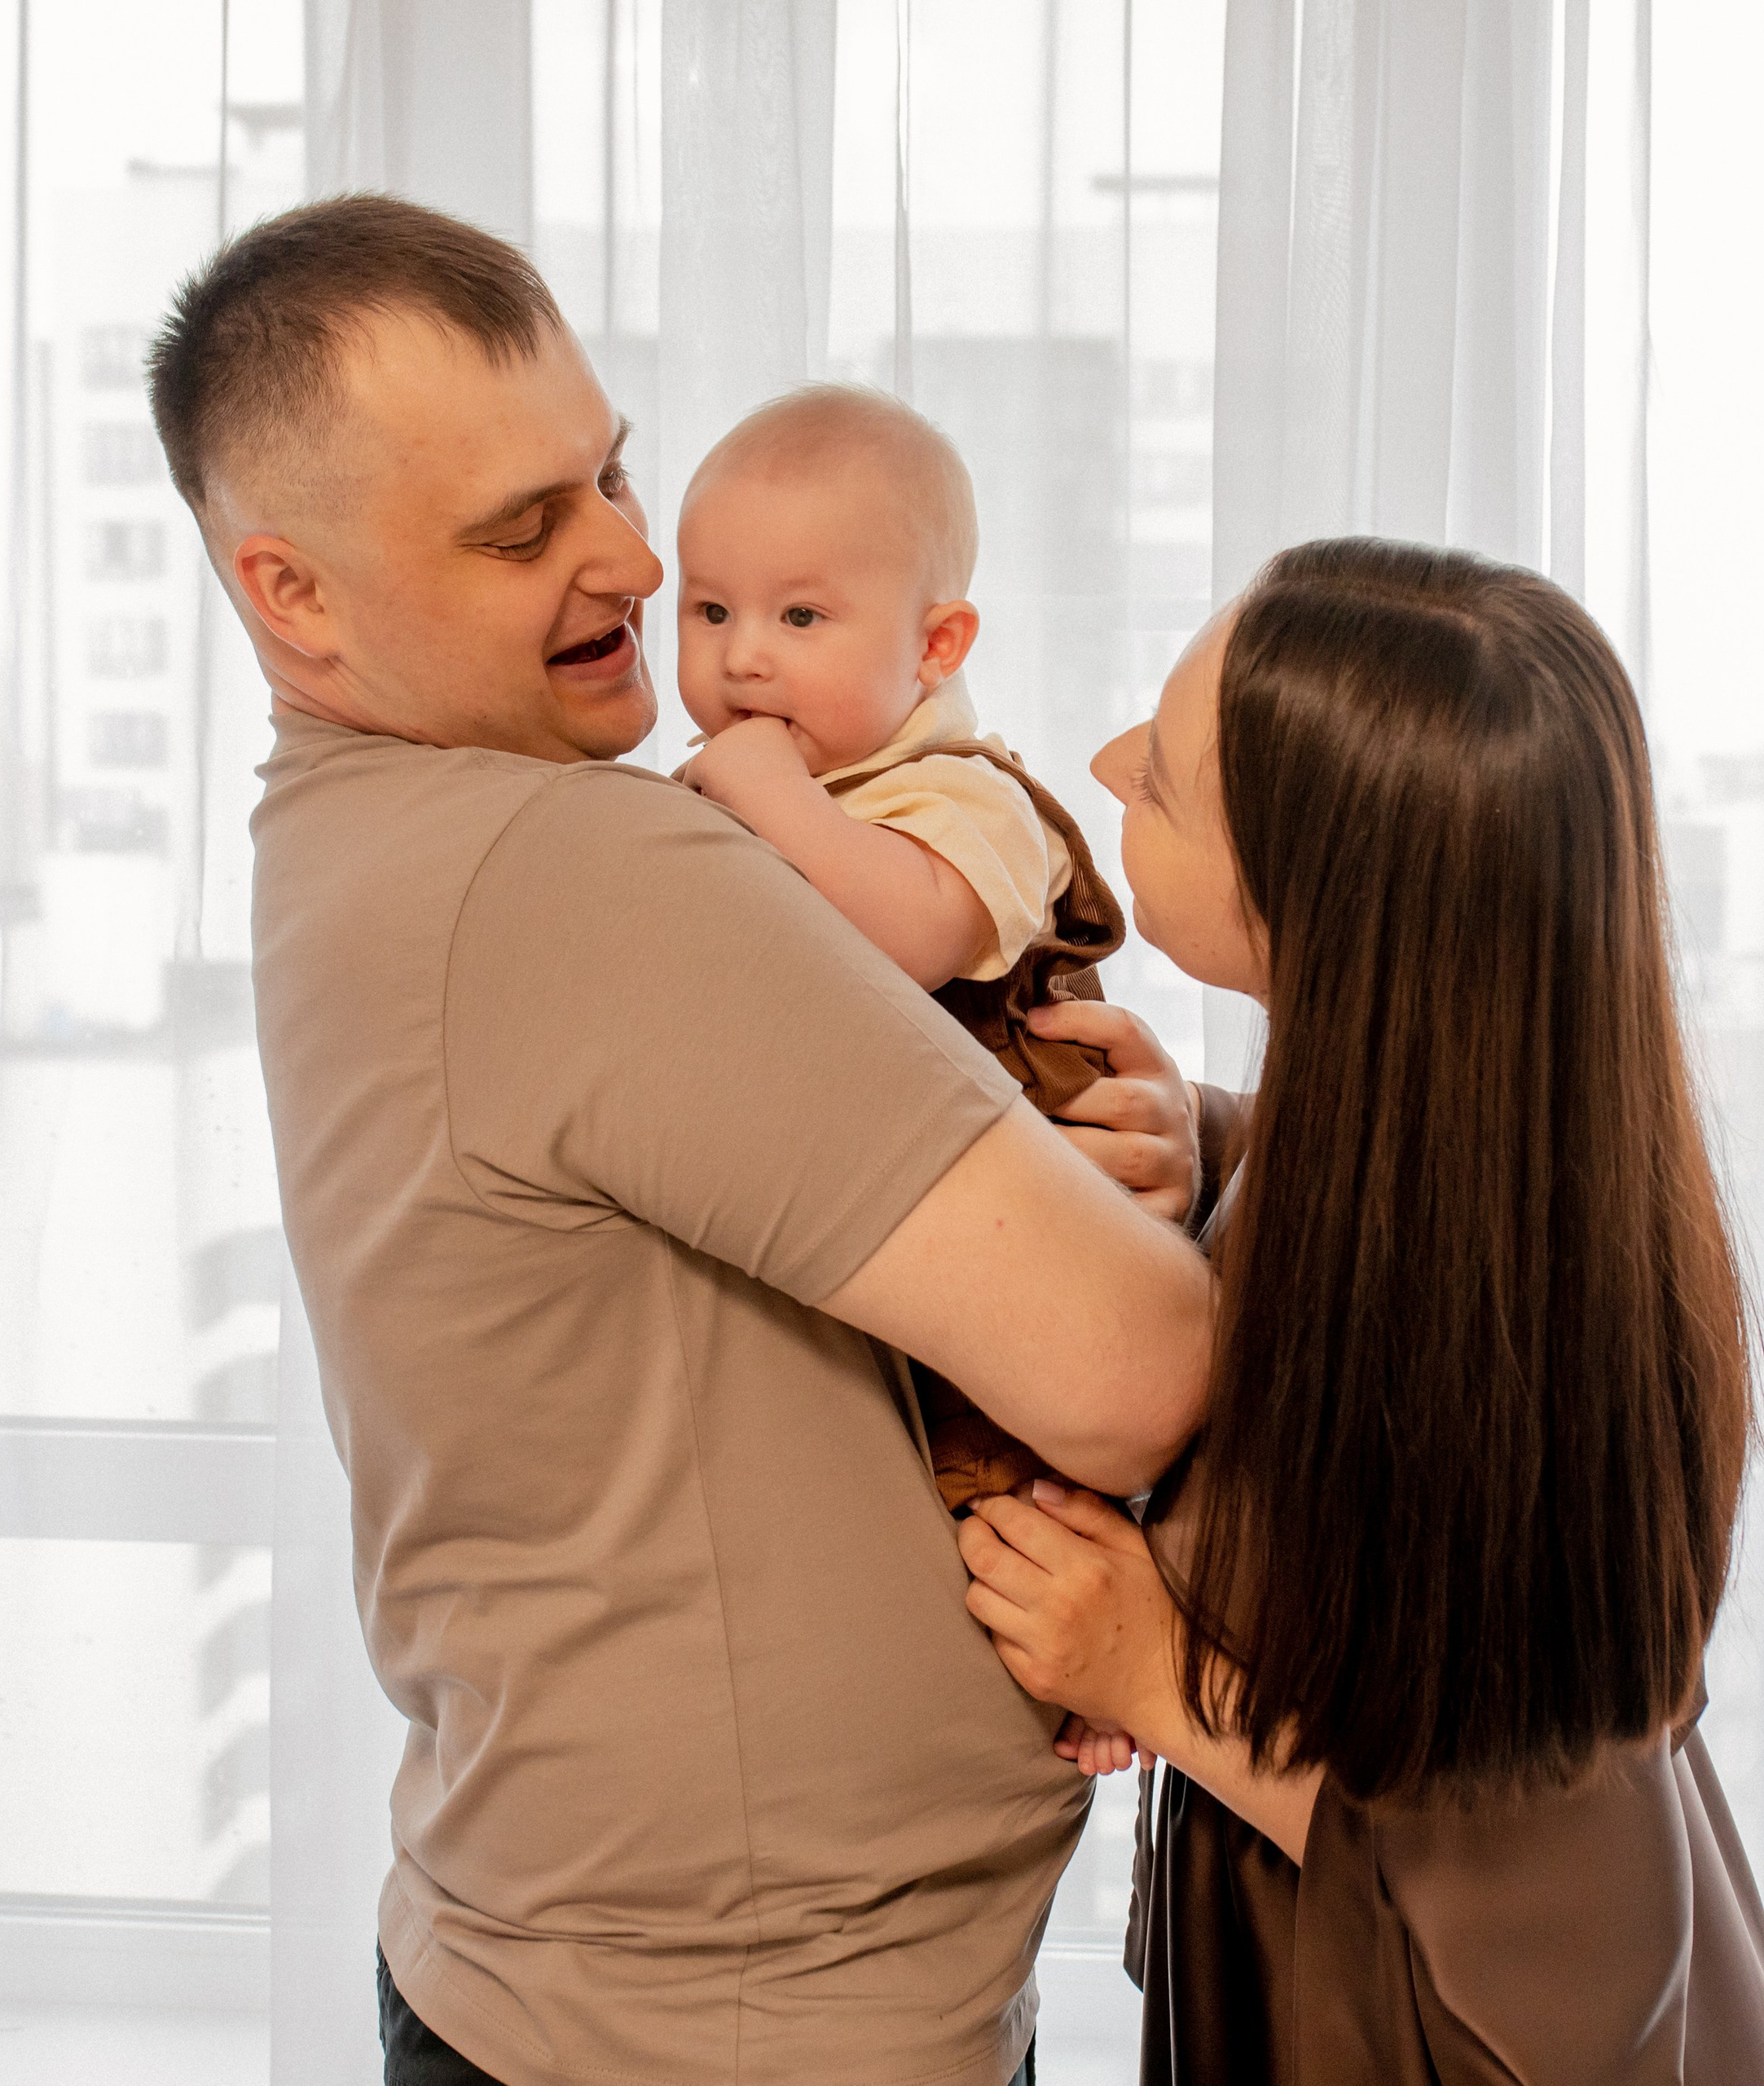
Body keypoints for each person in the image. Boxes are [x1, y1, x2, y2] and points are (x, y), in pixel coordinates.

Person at [146, 192, 1212, 2086]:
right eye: (519, 526)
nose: (638, 559)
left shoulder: (353, 832)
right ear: (290, 594)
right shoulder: (575, 863)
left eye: (610, 473)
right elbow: (1133, 1371)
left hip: (620, 1984)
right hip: (725, 2033)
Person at [958, 539, 1764, 2082]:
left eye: (1157, 782)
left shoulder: (1503, 1369)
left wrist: (1161, 1676)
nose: (1102, 770)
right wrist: (1210, 1134)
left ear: (1320, 896)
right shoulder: (1497, 1161)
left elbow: (1520, 1927)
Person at [675, 384, 1128, 1507]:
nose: (744, 662)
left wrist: (774, 797)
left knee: (1012, 1536)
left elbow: (911, 939)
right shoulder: (770, 785)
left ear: (937, 644)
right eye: (710, 611)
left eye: (801, 619)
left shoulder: (969, 799)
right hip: (866, 1268)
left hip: (1024, 1284)